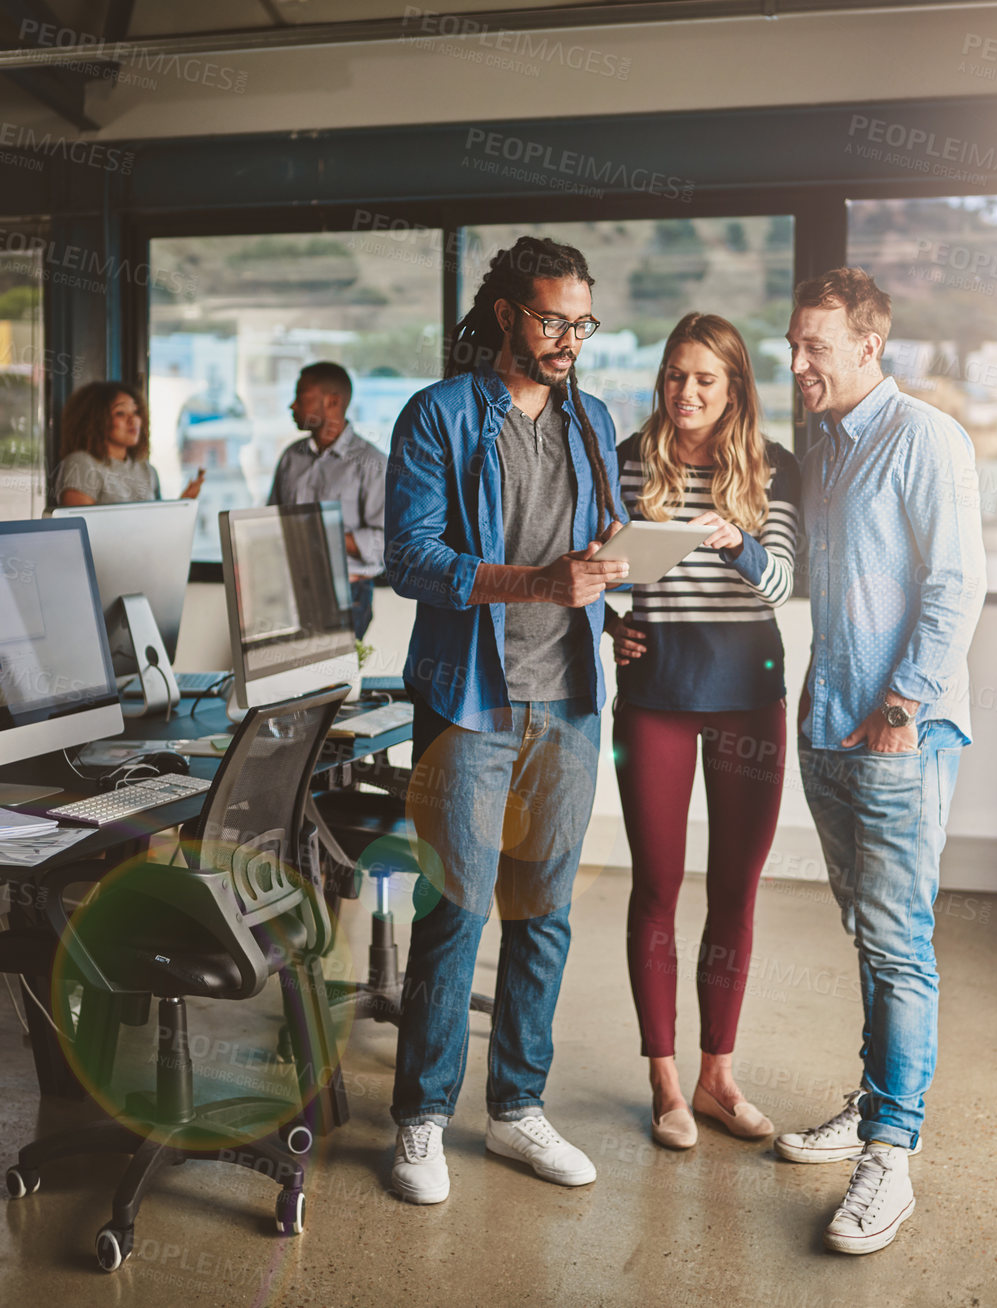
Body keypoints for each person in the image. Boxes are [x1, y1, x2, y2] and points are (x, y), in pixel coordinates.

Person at [384, 236, 628, 1205]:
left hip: (568, 701)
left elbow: (595, 551)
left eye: (582, 321)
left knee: (544, 916)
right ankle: (420, 1120)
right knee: (455, 913)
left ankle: (518, 1108)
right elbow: (410, 557)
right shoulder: (439, 415)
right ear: (504, 317)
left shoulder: (593, 420)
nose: (568, 339)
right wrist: (536, 581)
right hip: (468, 701)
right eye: (551, 319)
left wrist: (620, 589)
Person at [774, 268, 986, 1255]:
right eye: (793, 343)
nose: (797, 361)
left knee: (900, 944)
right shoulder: (824, 448)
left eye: (815, 345)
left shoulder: (926, 440)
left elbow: (955, 586)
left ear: (869, 346)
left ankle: (890, 1159)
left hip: (896, 736)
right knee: (870, 934)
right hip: (828, 731)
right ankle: (872, 1106)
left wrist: (900, 709)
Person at [604, 313, 799, 1150]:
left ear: (734, 389)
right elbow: (594, 570)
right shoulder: (625, 462)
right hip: (654, 695)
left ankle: (718, 1074)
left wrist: (738, 543)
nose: (686, 393)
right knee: (656, 885)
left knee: (735, 889)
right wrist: (609, 626)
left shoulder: (772, 466)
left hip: (748, 697)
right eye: (675, 376)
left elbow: (785, 582)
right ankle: (666, 1082)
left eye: (705, 380)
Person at [269, 362, 386, 638]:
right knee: (286, 679)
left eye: (301, 396)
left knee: (333, 681)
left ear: (332, 401)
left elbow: (387, 544)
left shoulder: (372, 464)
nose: (292, 406)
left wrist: (316, 531)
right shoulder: (290, 458)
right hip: (290, 592)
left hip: (346, 594)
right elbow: (271, 521)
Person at [55, 381, 204, 506]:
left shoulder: (146, 469)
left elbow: (158, 525)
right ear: (96, 420)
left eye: (136, 412)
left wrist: (184, 503)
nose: (133, 420)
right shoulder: (82, 463)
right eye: (120, 413)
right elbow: (80, 530)